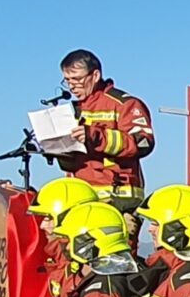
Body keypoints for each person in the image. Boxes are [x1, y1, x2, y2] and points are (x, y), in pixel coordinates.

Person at [52, 49, 156, 210]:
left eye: (77, 79)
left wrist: (95, 137)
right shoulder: (73, 111)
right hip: (82, 197)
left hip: (120, 197)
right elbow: (75, 163)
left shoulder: (125, 104)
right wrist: (56, 150)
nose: (71, 86)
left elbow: (143, 143)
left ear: (95, 76)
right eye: (67, 80)